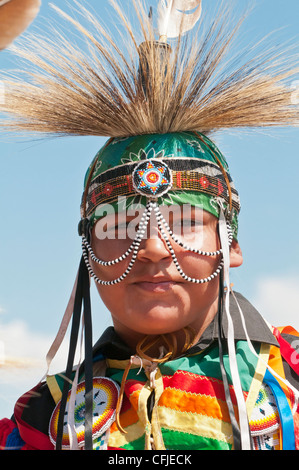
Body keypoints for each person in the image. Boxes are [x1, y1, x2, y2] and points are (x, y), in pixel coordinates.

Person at [0, 1, 298, 451]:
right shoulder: (42, 420)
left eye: (185, 220)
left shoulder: (289, 377)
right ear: (87, 250)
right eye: (118, 223)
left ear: (231, 242)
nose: (153, 246)